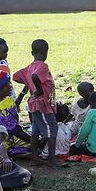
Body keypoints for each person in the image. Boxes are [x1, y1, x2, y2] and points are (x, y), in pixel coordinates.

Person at [12, 39, 61, 167]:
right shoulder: (42, 66)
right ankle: (52, 159)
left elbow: (16, 76)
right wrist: (38, 88)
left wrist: (28, 82)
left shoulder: (29, 68)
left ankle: (34, 158)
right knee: (52, 129)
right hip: (42, 104)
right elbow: (35, 76)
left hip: (33, 104)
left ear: (32, 52)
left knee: (35, 130)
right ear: (45, 53)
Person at [0, 69, 31, 156]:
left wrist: (23, 92)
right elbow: (14, 130)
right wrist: (36, 142)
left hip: (3, 138)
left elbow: (13, 108)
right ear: (1, 88)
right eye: (9, 84)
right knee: (35, 148)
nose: (11, 86)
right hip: (1, 143)